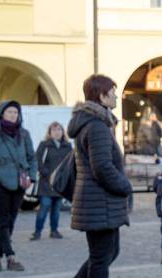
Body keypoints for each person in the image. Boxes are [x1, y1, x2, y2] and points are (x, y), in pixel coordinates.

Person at [69, 74, 133, 278]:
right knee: (101, 258)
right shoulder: (97, 126)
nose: (116, 96)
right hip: (99, 202)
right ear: (101, 96)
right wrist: (125, 185)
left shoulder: (97, 123)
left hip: (99, 201)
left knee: (108, 253)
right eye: (113, 93)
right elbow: (102, 167)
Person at [0, 100, 35, 272]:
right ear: (1, 114)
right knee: (3, 220)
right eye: (10, 112)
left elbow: (32, 157)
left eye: (16, 112)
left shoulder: (24, 134)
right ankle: (11, 256)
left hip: (19, 184)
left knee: (10, 221)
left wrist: (32, 177)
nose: (13, 115)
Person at [31, 122, 73, 240]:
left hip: (60, 184)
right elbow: (37, 160)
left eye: (59, 129)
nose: (57, 132)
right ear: (50, 132)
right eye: (54, 130)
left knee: (56, 209)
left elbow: (70, 163)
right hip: (46, 182)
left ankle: (54, 231)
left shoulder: (67, 146)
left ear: (62, 132)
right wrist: (45, 172)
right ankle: (37, 232)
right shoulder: (44, 145)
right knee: (44, 206)